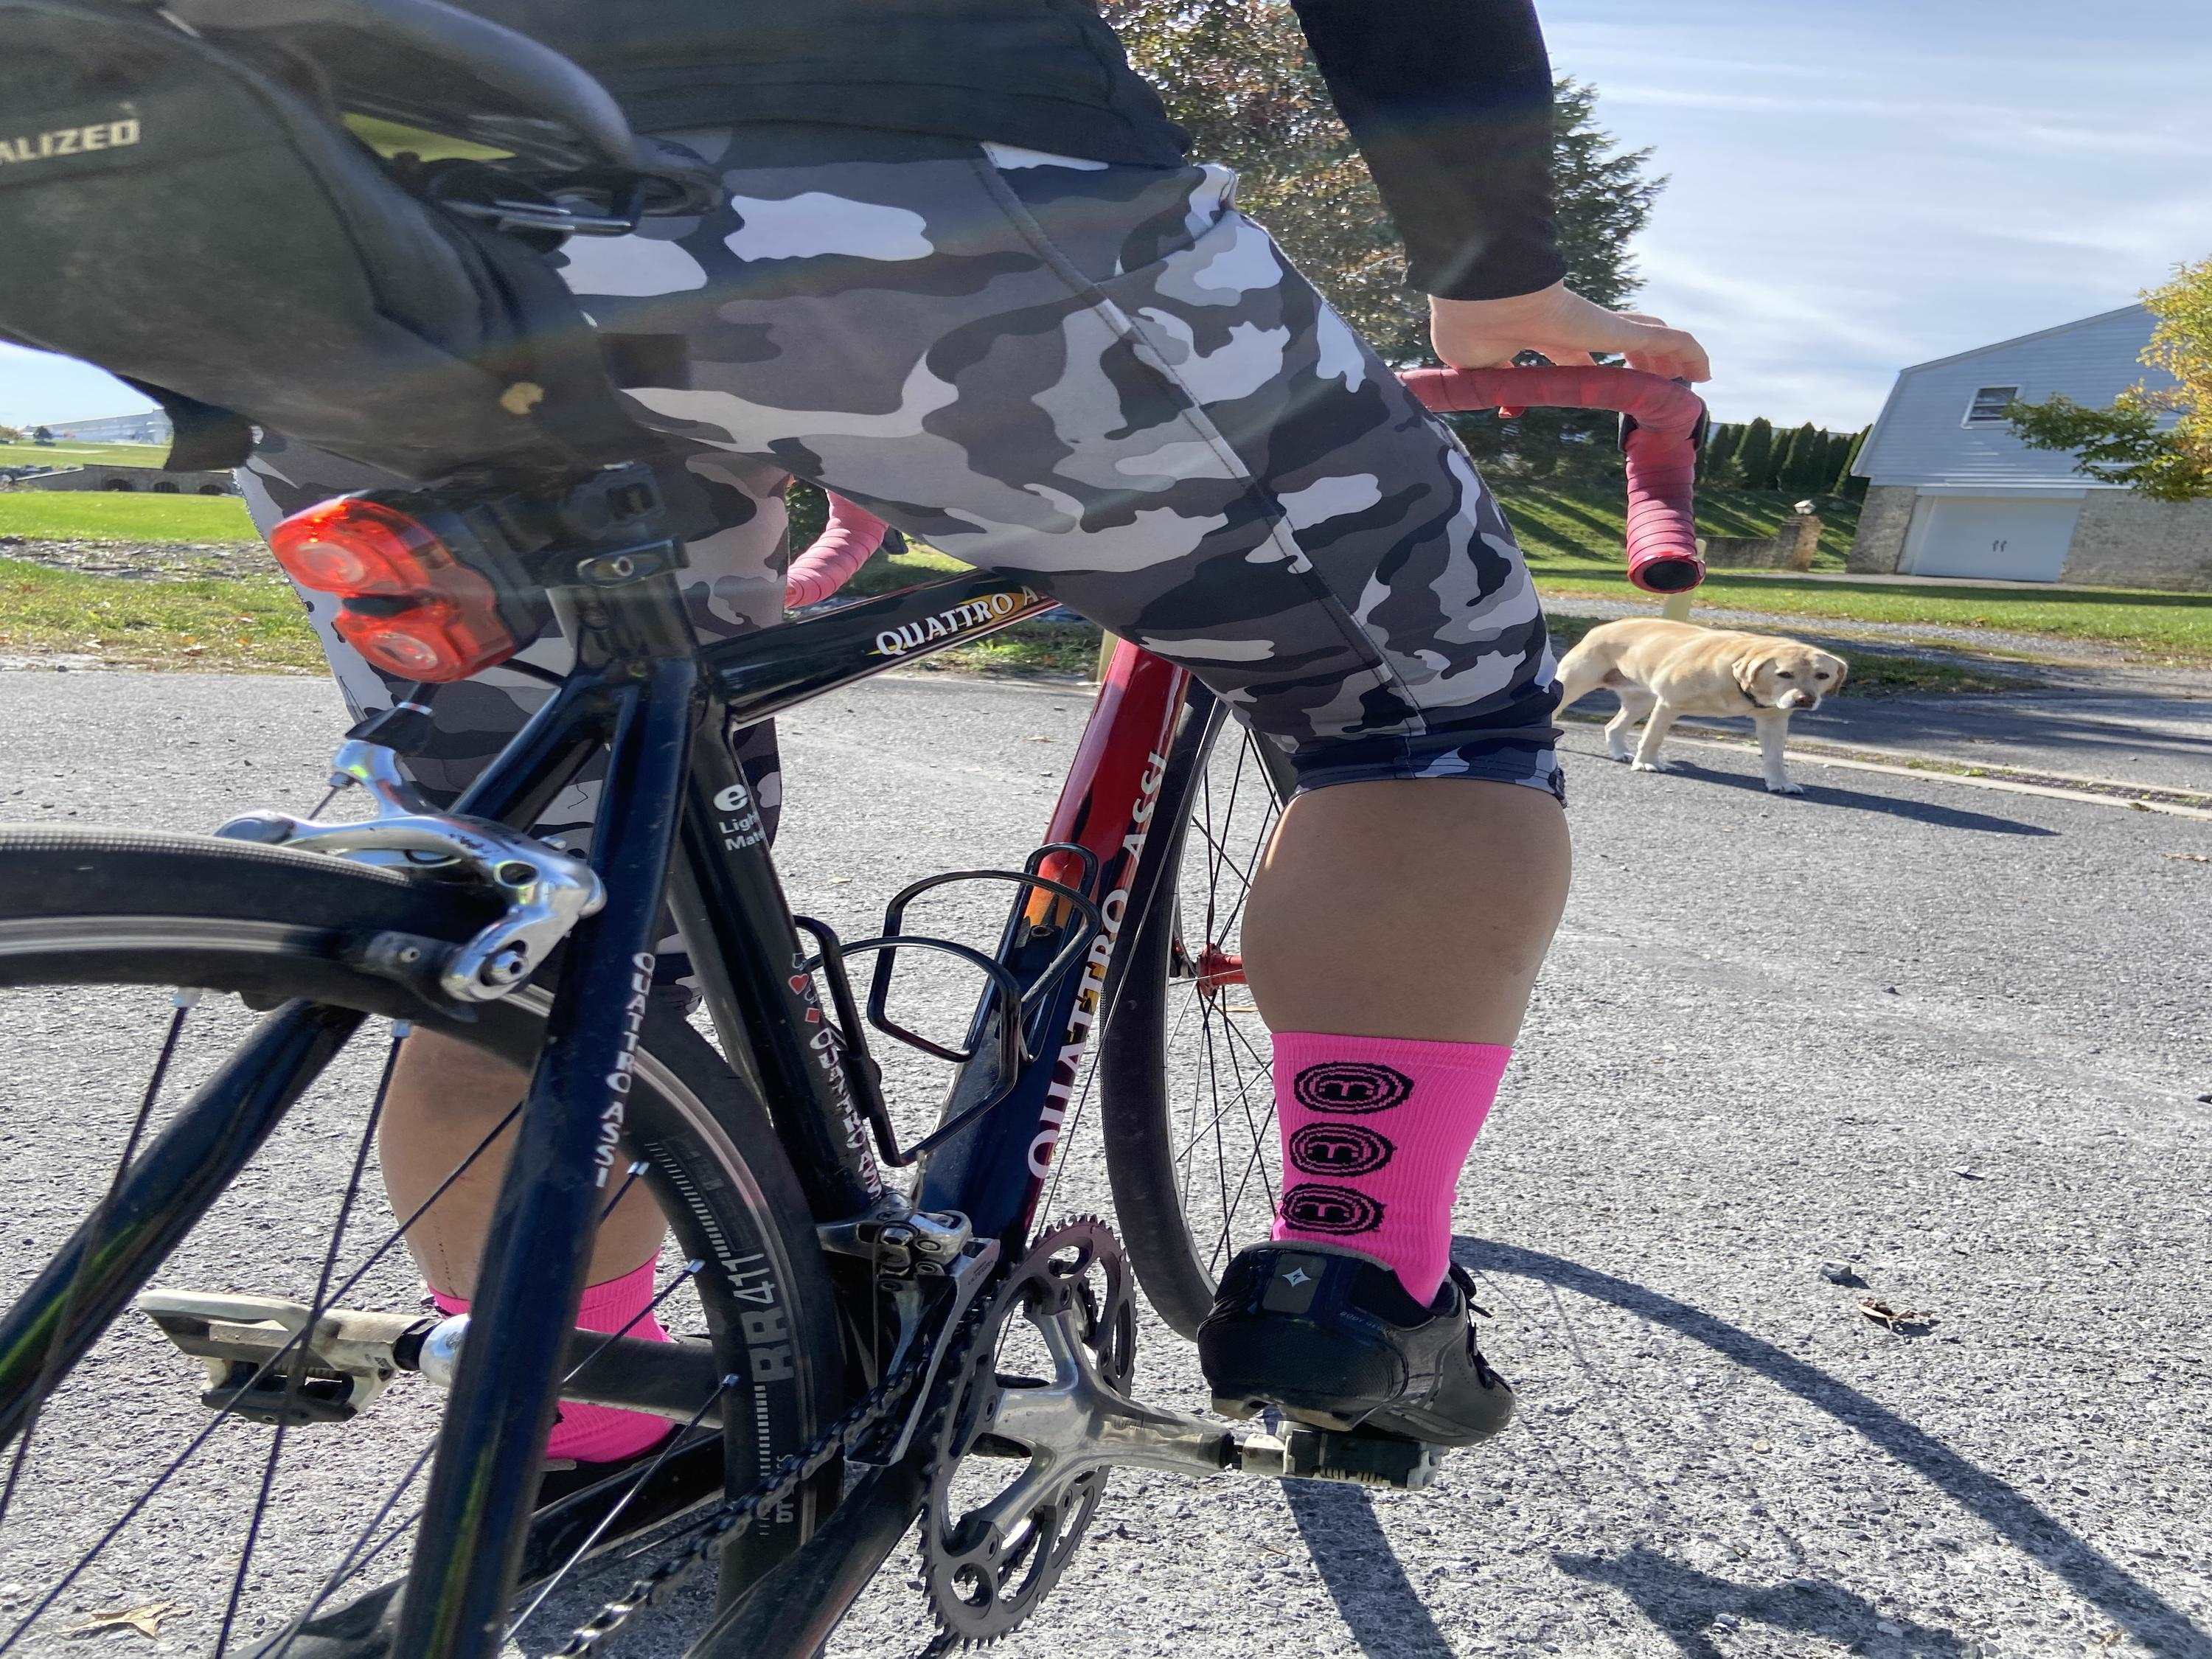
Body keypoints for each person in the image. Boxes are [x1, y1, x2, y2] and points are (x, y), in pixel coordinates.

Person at [240, 0, 1709, 1486]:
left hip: (339, 246)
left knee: (534, 898)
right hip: (893, 182)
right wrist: (1492, 272)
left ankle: (588, 1428)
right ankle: (1357, 1290)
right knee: (1421, 701)